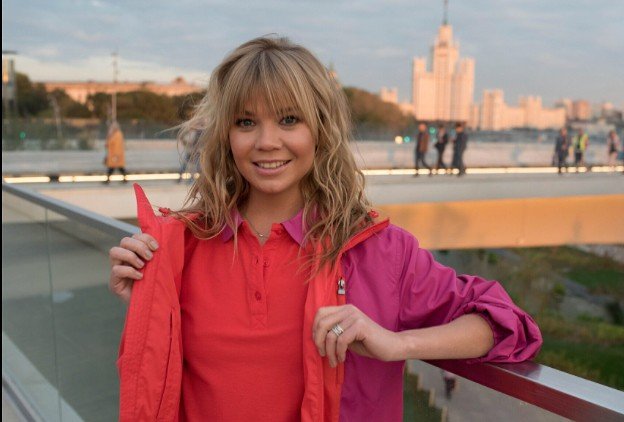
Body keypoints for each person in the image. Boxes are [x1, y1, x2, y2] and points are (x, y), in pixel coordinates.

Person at [107, 37, 541, 422]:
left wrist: (397, 343)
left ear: (320, 129)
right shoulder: (184, 248)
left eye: (289, 120)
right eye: (245, 122)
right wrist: (150, 300)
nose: (266, 141)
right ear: (225, 135)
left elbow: (506, 324)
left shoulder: (379, 252)